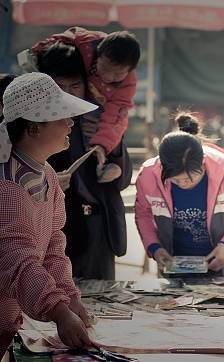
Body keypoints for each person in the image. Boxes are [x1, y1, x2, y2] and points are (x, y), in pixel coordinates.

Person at [0, 73, 96, 357]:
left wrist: (69, 298)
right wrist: (58, 312)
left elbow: (54, 243)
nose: (71, 123)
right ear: (33, 129)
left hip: (10, 319)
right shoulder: (7, 184)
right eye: (61, 116)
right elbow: (16, 258)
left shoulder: (47, 175)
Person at [36, 41, 132, 280]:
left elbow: (124, 177)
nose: (69, 95)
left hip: (101, 229)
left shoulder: (103, 120)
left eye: (75, 86)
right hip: (60, 232)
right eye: (60, 87)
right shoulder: (36, 127)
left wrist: (115, 170)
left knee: (104, 303)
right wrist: (48, 182)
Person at [135, 112, 224, 277]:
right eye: (176, 180)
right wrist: (154, 247)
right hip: (172, 265)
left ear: (203, 162)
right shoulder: (148, 175)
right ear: (162, 168)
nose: (184, 183)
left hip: (221, 262)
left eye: (189, 178)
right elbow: (142, 214)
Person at [31, 27, 140, 183]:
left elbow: (115, 116)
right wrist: (40, 49)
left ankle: (105, 163)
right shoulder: (87, 45)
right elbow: (70, 35)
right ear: (96, 56)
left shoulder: (120, 91)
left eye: (75, 86)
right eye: (60, 87)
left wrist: (102, 146)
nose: (108, 77)